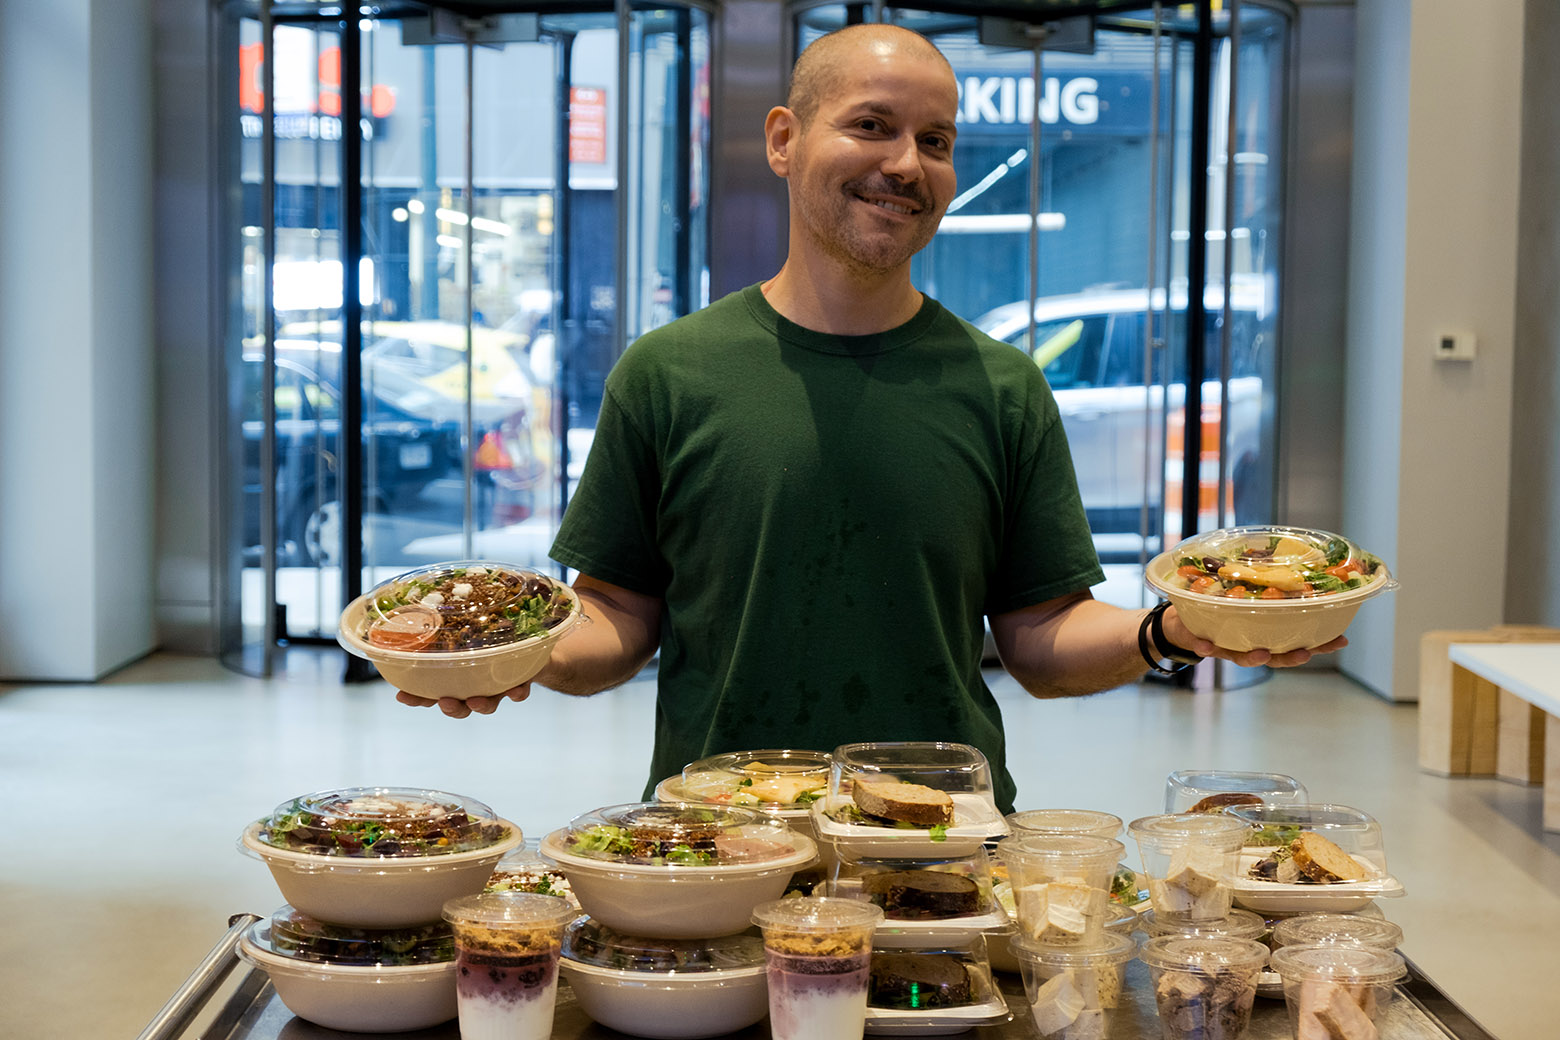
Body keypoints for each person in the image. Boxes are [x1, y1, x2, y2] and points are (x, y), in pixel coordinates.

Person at [397, 24, 1343, 813]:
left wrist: (1177, 630)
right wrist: (505, 650)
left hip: (944, 842)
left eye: (935, 142)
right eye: (872, 126)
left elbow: (1041, 640)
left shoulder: (1002, 387)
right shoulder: (668, 373)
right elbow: (616, 616)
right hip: (715, 836)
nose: (906, 164)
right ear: (783, 139)